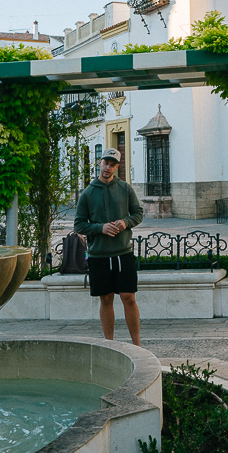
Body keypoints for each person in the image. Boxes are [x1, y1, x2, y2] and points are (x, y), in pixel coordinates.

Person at [74, 147, 144, 346]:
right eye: (106, 162)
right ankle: (110, 344)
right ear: (99, 163)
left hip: (123, 252)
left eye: (113, 164)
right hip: (98, 255)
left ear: (117, 167)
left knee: (128, 297)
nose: (108, 167)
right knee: (106, 299)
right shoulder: (87, 193)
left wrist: (125, 223)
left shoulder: (125, 188)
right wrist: (101, 228)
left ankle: (137, 344)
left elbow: (138, 213)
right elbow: (79, 224)